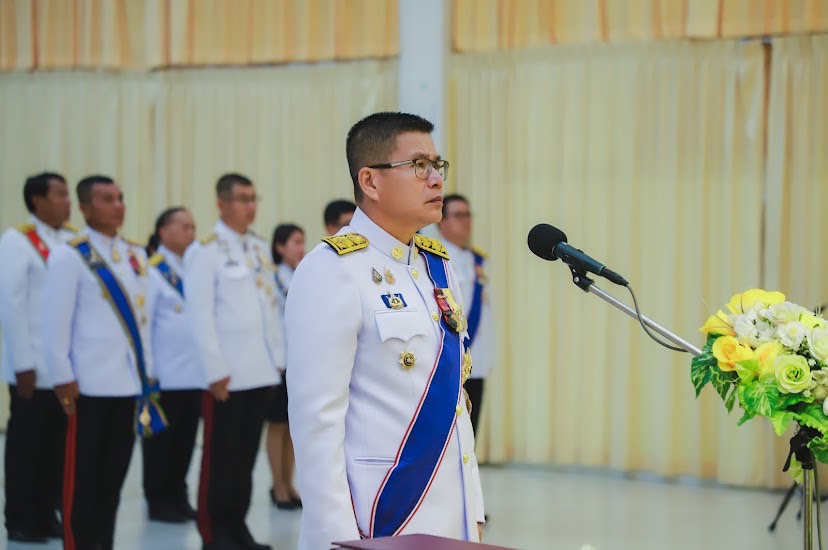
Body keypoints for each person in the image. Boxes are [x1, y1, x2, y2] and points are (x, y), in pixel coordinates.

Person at [287, 112, 485, 549]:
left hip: (449, 515)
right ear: (371, 182)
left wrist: (473, 508)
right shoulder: (332, 270)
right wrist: (337, 540)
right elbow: (316, 425)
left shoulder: (437, 266)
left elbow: (454, 408)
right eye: (418, 166)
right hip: (378, 518)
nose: (436, 180)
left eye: (438, 166)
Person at [43, 175, 151, 550]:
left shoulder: (134, 255)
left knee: (112, 480)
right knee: (81, 482)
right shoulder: (69, 256)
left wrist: (147, 375)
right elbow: (54, 324)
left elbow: (142, 322)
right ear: (85, 207)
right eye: (107, 199)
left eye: (120, 198)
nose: (118, 205)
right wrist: (61, 376)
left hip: (126, 384)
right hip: (86, 386)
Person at [185, 173, 284, 550]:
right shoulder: (205, 251)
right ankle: (215, 534)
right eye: (242, 198)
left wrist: (277, 362)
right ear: (221, 203)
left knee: (244, 460)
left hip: (259, 371)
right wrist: (214, 371)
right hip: (226, 375)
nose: (250, 205)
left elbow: (269, 311)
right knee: (219, 459)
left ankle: (238, 528)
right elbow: (200, 318)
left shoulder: (257, 249)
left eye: (253, 197)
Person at [0, 172, 75, 543]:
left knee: (56, 450)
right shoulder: (17, 242)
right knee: (25, 448)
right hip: (31, 367)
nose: (68, 201)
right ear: (36, 201)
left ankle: (48, 513)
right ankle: (20, 518)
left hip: (62, 368)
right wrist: (21, 365)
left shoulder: (70, 243)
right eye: (59, 194)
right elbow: (11, 306)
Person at [142, 207, 202, 523]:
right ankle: (158, 500)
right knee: (160, 446)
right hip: (165, 375)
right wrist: (148, 372)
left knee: (184, 444)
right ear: (163, 230)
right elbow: (145, 324)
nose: (191, 232)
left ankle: (178, 497)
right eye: (184, 226)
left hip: (193, 374)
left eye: (193, 226)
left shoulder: (192, 266)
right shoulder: (151, 271)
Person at [437, 194, 494, 434]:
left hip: (476, 358)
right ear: (441, 221)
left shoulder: (477, 259)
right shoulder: (435, 259)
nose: (466, 221)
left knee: (471, 434)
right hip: (450, 359)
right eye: (459, 215)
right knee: (450, 434)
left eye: (468, 215)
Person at [265, 223, 305, 509]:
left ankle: (289, 482)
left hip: (299, 361)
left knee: (293, 426)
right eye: (295, 242)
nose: (301, 248)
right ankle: (277, 484)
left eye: (302, 242)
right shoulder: (271, 276)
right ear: (280, 247)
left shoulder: (302, 274)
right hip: (279, 363)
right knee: (277, 424)